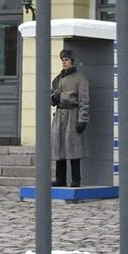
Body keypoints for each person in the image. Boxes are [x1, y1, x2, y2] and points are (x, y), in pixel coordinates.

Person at [50, 47, 89, 187]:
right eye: (62, 60)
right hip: (59, 116)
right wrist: (54, 98)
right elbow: (51, 94)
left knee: (73, 149)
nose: (64, 62)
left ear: (72, 61)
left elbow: (84, 101)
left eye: (66, 60)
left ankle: (76, 179)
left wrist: (82, 120)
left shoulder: (80, 79)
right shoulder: (57, 78)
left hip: (72, 116)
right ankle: (60, 179)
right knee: (58, 148)